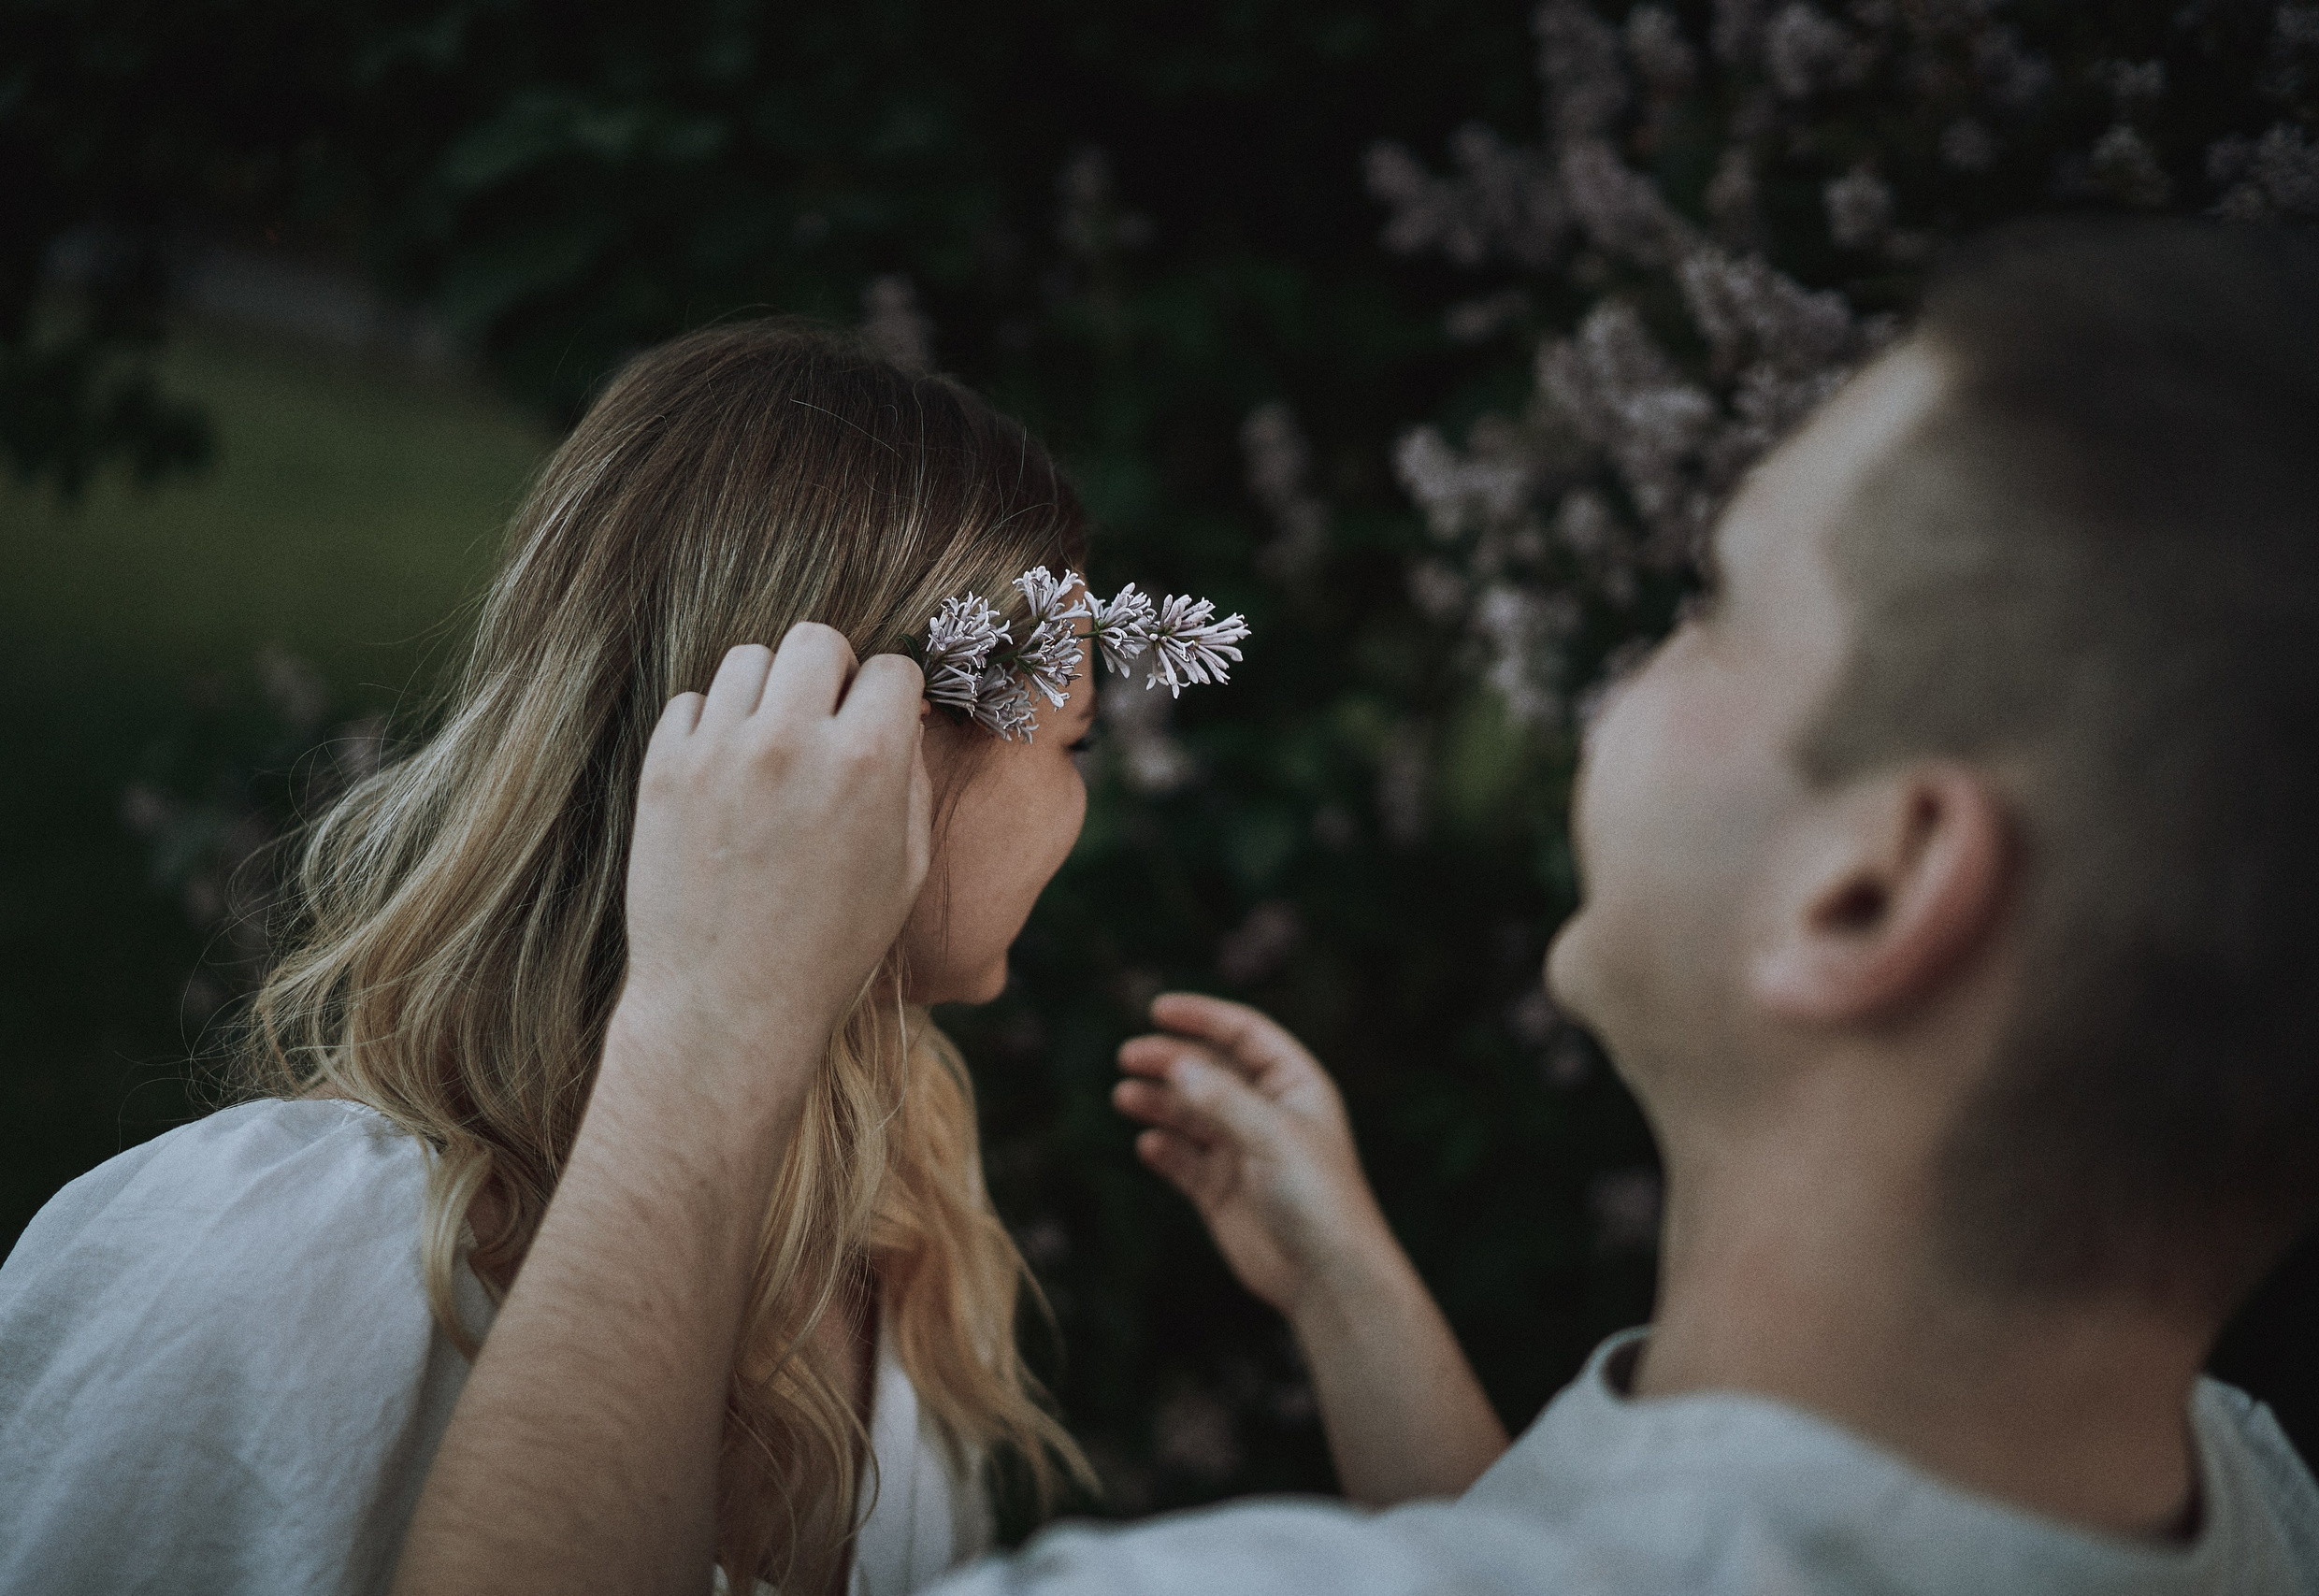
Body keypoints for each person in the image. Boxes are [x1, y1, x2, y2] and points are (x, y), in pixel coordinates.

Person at [382, 218, 2319, 1595]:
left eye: (1713, 604)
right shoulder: (2240, 1498)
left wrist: (708, 1028)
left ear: (1867, 887)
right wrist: (1352, 1290)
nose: (1614, 673)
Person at [0, 320, 1265, 1596]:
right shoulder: (258, 1281)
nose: (1082, 802)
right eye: (1074, 742)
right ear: (871, 753)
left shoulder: (894, 1249)